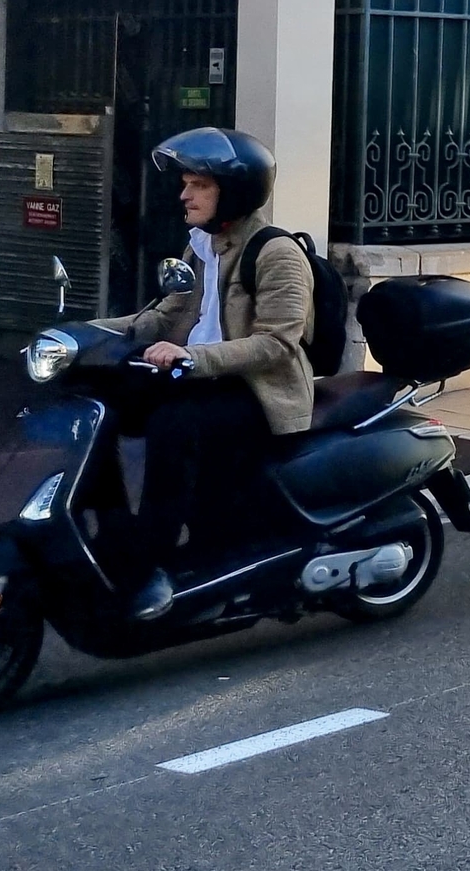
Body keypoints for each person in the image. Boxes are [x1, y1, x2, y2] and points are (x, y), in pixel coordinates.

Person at [96, 127, 313, 621]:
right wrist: (80, 334)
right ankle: (111, 531)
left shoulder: (276, 253)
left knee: (174, 425)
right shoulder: (202, 244)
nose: (184, 194)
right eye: (186, 183)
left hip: (258, 391)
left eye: (199, 185)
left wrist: (192, 358)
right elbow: (162, 316)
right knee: (104, 403)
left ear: (232, 192)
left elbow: (277, 344)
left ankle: (153, 557)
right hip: (204, 376)